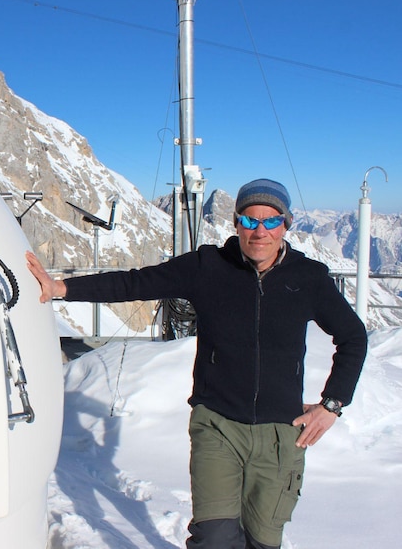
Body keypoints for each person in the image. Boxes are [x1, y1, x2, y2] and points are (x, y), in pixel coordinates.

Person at [26, 178, 368, 549]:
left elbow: (353, 338)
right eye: (250, 221)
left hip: (280, 434)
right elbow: (136, 284)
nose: (260, 231)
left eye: (271, 221)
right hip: (218, 424)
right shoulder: (208, 267)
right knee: (215, 538)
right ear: (236, 223)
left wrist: (332, 405)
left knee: (264, 541)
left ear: (286, 225)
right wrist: (62, 288)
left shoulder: (308, 277)